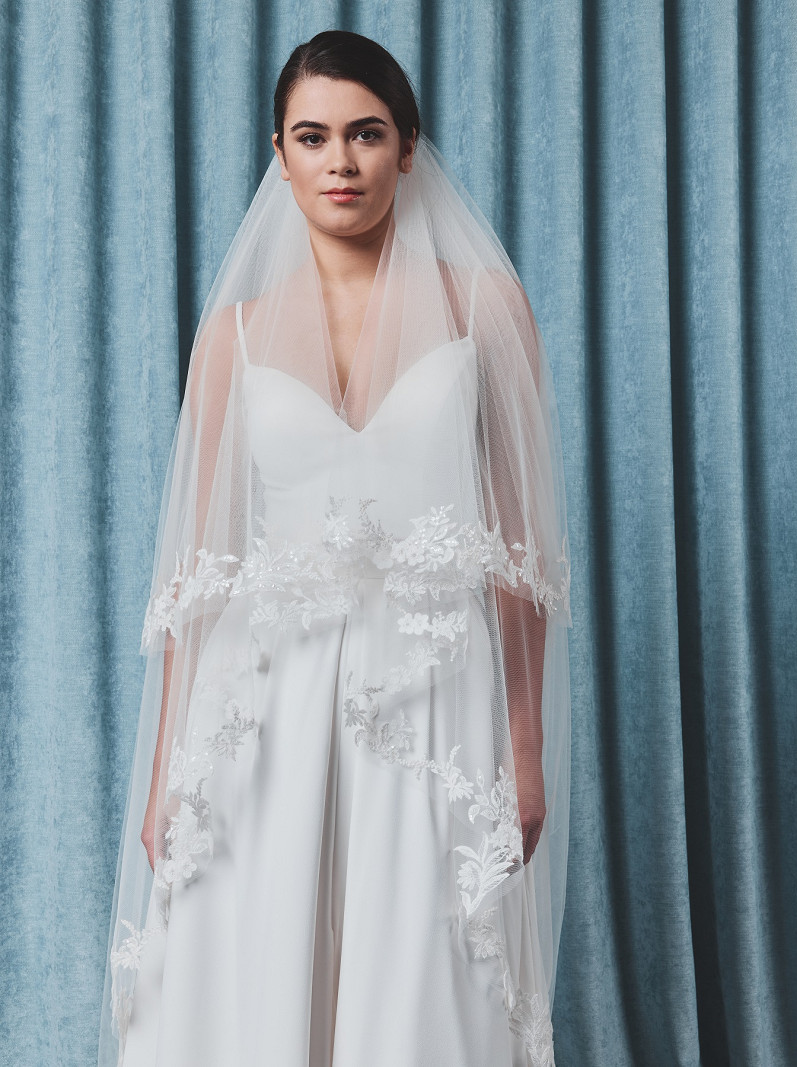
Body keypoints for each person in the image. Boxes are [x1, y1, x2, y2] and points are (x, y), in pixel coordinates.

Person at [98, 29, 572, 1067]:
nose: (340, 161)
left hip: (432, 695)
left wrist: (525, 749)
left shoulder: (484, 307)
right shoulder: (232, 334)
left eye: (366, 133)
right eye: (312, 137)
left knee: (416, 977)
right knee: (255, 969)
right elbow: (197, 573)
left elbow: (521, 551)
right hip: (264, 699)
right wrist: (168, 766)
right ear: (280, 155)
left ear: (408, 148)